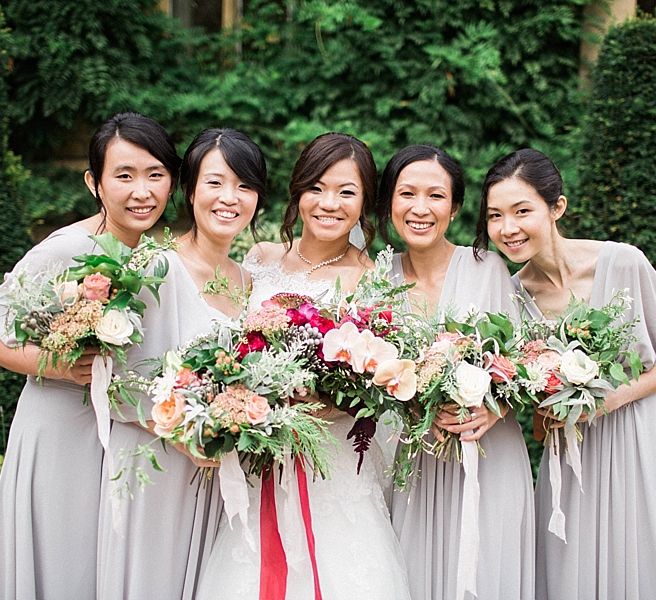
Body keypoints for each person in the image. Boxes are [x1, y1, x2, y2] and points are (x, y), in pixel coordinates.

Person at [196, 132, 411, 600]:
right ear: (298, 192)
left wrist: (317, 406)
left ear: (364, 203)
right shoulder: (260, 259)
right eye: (316, 187)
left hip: (331, 463)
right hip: (259, 455)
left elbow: (378, 383)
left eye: (346, 192)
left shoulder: (369, 280)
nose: (329, 203)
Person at [0, 112, 179, 600]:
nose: (141, 191)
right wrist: (55, 364)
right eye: (124, 176)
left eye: (155, 175)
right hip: (60, 430)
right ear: (94, 183)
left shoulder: (153, 258)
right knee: (65, 562)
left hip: (115, 435)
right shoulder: (66, 250)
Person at [476, 147, 656, 600]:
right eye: (495, 216)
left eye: (522, 211)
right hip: (568, 461)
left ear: (556, 208)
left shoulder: (623, 263)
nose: (508, 228)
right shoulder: (512, 298)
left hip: (637, 442)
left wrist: (610, 397)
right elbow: (531, 411)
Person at [96, 127, 267, 599]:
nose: (229, 198)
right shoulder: (156, 267)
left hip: (221, 477)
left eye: (244, 185)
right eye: (214, 183)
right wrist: (179, 430)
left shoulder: (252, 283)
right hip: (155, 469)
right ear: (189, 190)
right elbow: (113, 382)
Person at [383, 145, 535, 600]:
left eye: (436, 195)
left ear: (455, 207)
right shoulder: (376, 277)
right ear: (389, 201)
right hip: (410, 460)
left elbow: (525, 362)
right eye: (407, 193)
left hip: (487, 456)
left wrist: (494, 407)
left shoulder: (487, 267)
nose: (420, 208)